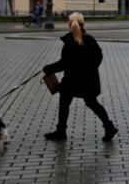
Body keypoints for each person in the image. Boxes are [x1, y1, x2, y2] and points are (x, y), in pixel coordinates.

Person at [42, 12, 118, 141]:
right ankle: (109, 127)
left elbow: (64, 63)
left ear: (69, 24)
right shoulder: (91, 39)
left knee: (64, 104)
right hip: (89, 80)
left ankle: (61, 131)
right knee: (93, 103)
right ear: (84, 24)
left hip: (71, 80)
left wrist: (48, 68)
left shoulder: (70, 42)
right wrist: (90, 69)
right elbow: (99, 57)